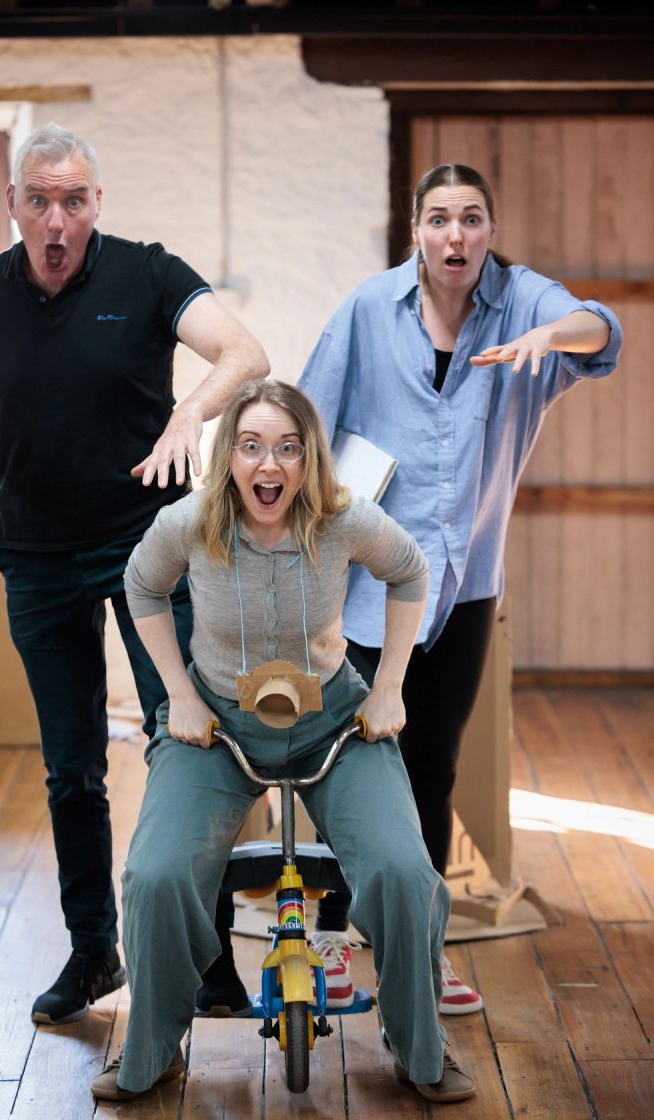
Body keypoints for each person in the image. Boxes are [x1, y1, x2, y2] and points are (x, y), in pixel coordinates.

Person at [0, 122, 269, 1026]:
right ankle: (94, 954)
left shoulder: (147, 274)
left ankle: (207, 960)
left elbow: (245, 355)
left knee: (188, 740)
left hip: (149, 551)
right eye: (38, 200)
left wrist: (188, 417)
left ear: (96, 205)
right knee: (70, 767)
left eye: (73, 200)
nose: (56, 219)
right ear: (12, 204)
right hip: (38, 557)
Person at [90, 378, 476, 1105]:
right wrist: (177, 695)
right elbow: (140, 587)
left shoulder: (341, 518)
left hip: (331, 718)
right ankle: (154, 1047)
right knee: (156, 875)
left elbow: (410, 571)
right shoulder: (190, 520)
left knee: (403, 871)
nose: (270, 466)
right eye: (252, 447)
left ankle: (418, 1043)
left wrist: (389, 685)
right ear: (229, 454)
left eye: (288, 449)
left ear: (309, 459)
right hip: (217, 722)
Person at [294, 162, 623, 1014]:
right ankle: (331, 949)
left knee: (427, 771)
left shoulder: (523, 303)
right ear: (417, 231)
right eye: (439, 218)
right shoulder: (371, 310)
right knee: (342, 771)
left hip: (462, 592)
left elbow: (602, 330)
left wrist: (553, 337)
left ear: (488, 229)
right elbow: (307, 423)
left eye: (472, 219)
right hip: (364, 588)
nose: (456, 235)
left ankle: (421, 954)